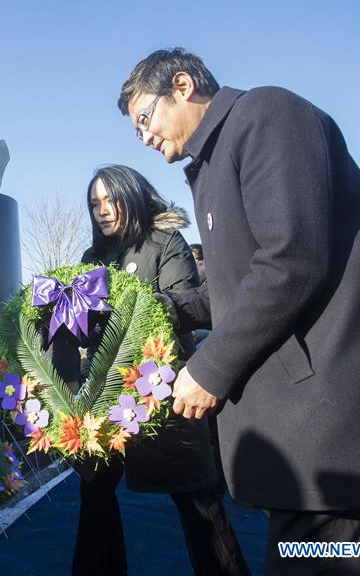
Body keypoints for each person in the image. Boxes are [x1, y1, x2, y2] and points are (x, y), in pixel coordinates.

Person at [117, 47, 360, 575]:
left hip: (339, 415)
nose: (144, 136)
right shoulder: (211, 165)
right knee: (359, 561)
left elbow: (292, 261)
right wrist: (156, 307)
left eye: (145, 118)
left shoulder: (265, 116)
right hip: (307, 428)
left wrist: (210, 367)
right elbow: (233, 289)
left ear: (182, 85)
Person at [60, 164, 248, 576]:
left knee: (196, 497)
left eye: (110, 200)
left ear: (131, 196)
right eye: (94, 203)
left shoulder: (167, 242)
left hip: (160, 388)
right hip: (106, 392)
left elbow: (184, 308)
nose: (102, 210)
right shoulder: (91, 259)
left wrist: (128, 308)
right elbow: (85, 332)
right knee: (94, 488)